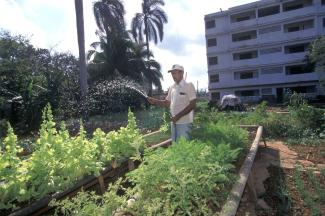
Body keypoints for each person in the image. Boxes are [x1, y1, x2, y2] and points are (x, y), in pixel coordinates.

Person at [147, 64, 197, 142]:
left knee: (185, 147)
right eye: (172, 73)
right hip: (174, 123)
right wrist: (155, 101)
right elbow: (167, 103)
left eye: (174, 73)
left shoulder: (189, 85)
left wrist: (177, 116)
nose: (173, 75)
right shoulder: (172, 87)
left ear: (181, 73)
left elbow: (192, 105)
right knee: (175, 146)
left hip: (185, 122)